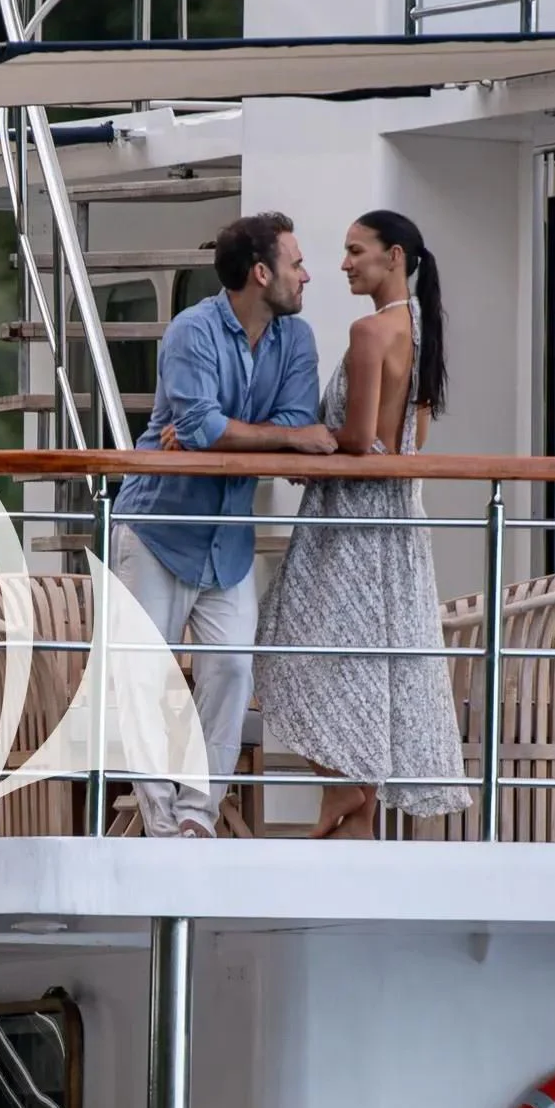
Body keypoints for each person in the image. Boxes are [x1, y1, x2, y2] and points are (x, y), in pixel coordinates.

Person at [112, 211, 338, 835]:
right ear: (262, 273)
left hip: (226, 540)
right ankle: (160, 821)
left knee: (233, 668)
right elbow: (205, 428)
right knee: (141, 676)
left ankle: (197, 817)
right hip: (159, 527)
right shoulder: (192, 330)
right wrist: (280, 442)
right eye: (296, 264)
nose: (306, 275)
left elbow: (267, 426)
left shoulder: (297, 341)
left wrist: (235, 440)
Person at [257, 209, 474, 837]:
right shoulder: (422, 330)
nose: (345, 264)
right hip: (399, 515)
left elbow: (358, 438)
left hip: (348, 519)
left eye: (356, 251)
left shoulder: (369, 331)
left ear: (395, 256)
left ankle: (344, 785)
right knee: (365, 659)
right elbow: (410, 440)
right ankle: (351, 806)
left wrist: (303, 444)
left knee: (299, 641)